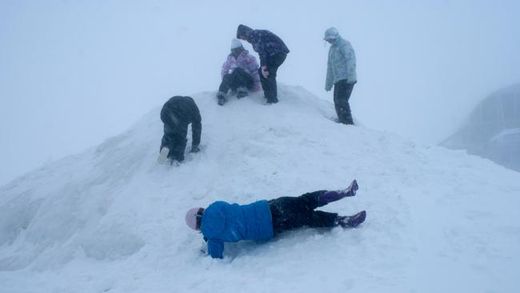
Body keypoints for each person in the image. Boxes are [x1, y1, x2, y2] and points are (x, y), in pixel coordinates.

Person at [185, 179, 366, 259]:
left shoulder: (212, 237)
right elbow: (225, 214)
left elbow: (215, 256)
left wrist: (208, 239)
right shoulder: (216, 206)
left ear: (197, 227)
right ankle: (342, 193)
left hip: (270, 227)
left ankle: (342, 221)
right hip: (268, 207)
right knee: (306, 200)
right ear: (201, 210)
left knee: (308, 218)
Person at [236, 24, 290, 104]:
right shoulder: (254, 36)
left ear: (245, 33)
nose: (243, 39)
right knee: (262, 72)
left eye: (242, 37)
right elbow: (262, 52)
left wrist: (264, 66)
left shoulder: (255, 35)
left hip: (278, 53)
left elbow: (262, 52)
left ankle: (272, 99)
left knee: (269, 73)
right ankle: (268, 95)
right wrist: (263, 67)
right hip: (273, 53)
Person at [324, 27, 357, 125]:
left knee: (341, 100)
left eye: (329, 39)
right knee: (337, 100)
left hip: (347, 78)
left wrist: (351, 76)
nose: (329, 41)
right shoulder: (332, 50)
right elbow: (330, 67)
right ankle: (342, 120)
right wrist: (328, 83)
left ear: (334, 37)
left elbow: (351, 60)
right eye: (327, 40)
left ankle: (347, 122)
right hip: (338, 80)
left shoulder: (344, 45)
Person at [158, 96, 202, 164]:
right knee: (180, 137)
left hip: (165, 111)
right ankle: (176, 157)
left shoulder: (180, 99)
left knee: (169, 134)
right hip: (179, 115)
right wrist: (195, 144)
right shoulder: (194, 109)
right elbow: (197, 127)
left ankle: (164, 151)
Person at [217, 39, 261, 106]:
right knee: (227, 75)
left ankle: (242, 91)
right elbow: (224, 70)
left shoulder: (249, 58)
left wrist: (256, 85)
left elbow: (255, 71)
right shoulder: (230, 59)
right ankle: (222, 95)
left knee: (238, 70)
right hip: (236, 83)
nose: (235, 52)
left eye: (237, 50)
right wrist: (226, 81)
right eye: (234, 51)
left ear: (241, 49)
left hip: (247, 82)